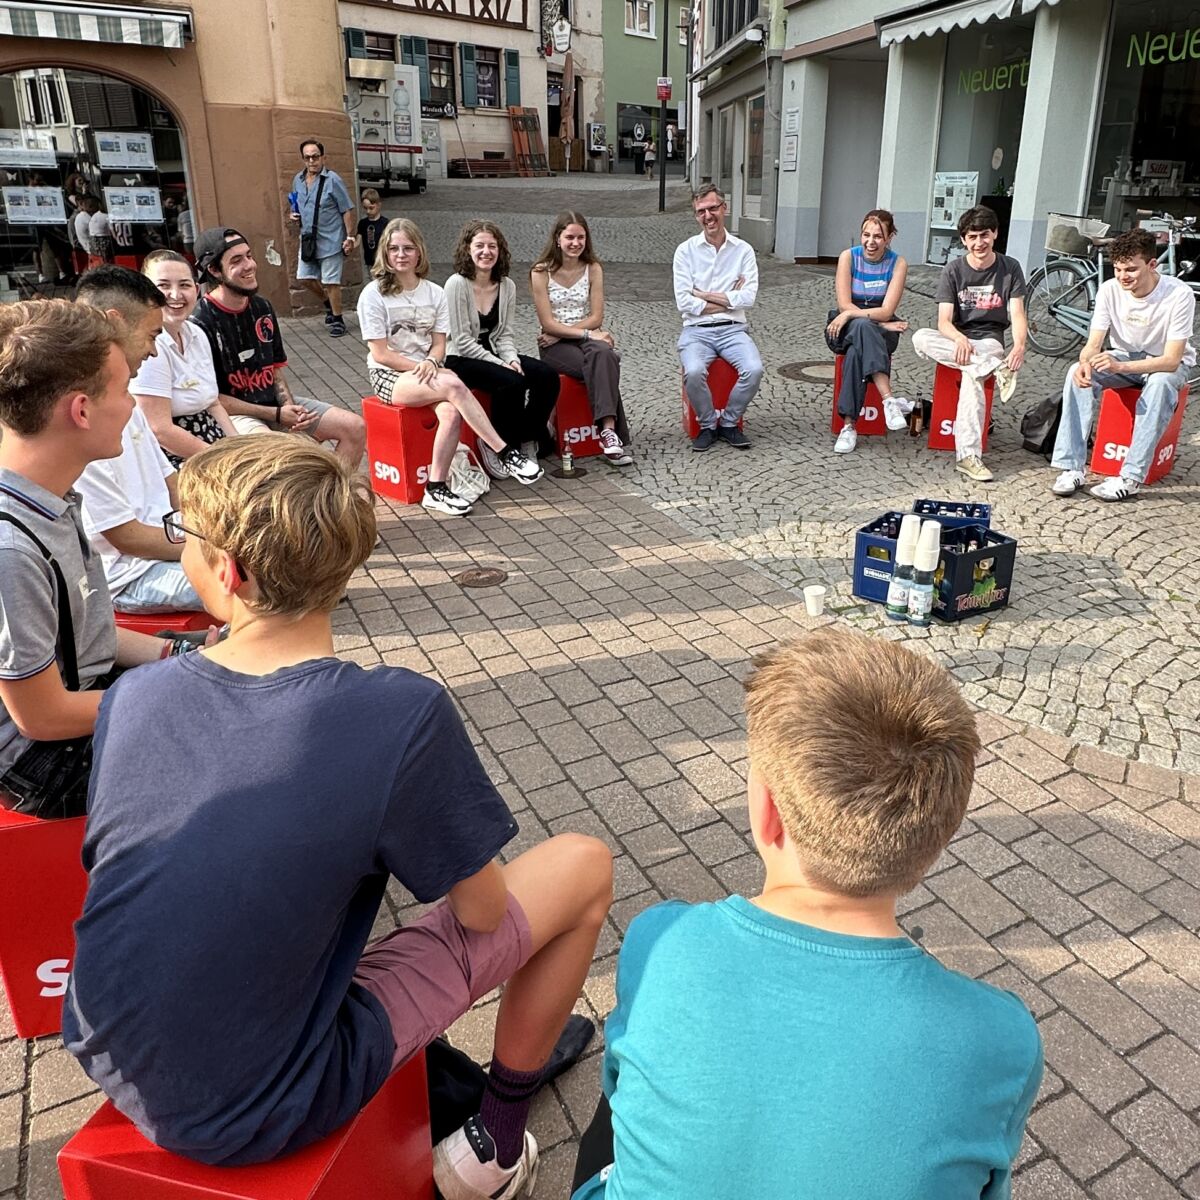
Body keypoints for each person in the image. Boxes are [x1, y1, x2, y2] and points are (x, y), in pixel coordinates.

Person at [62, 435, 614, 1200]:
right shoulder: (397, 711)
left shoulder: (134, 698)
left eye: (183, 533)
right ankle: (497, 1138)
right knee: (584, 865)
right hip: (264, 1105)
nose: (181, 548)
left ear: (230, 571)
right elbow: (485, 913)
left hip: (107, 1047)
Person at [570, 628, 1043, 1200]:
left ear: (768, 811)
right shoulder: (1001, 1038)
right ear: (933, 842)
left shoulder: (662, 940)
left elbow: (625, 1088)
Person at [0, 301, 185, 819]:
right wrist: (178, 692)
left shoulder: (50, 495)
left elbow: (81, 636)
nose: (132, 407)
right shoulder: (11, 548)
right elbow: (43, 717)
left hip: (80, 700)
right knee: (233, 749)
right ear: (81, 411)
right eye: (125, 391)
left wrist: (180, 657)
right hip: (38, 761)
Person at [356, 218, 543, 516]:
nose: (401, 255)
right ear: (384, 254)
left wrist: (432, 361)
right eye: (393, 249)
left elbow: (440, 344)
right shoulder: (373, 294)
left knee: (450, 412)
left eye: (408, 248)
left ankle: (436, 487)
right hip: (391, 375)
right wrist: (426, 367)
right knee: (454, 384)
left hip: (429, 371)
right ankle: (504, 451)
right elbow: (380, 353)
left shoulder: (434, 292)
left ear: (419, 252)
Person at [73, 264, 205, 614]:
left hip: (167, 542)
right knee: (263, 574)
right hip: (130, 575)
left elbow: (171, 481)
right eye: (151, 336)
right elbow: (126, 537)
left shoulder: (123, 397)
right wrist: (212, 546)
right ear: (114, 323)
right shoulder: (80, 420)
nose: (154, 351)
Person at [190, 227, 366, 467]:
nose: (250, 265)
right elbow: (213, 400)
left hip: (274, 406)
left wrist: (289, 407)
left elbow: (274, 369)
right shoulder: (200, 322)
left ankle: (329, 499)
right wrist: (276, 415)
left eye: (249, 255)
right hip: (234, 415)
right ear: (213, 270)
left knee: (354, 427)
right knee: (289, 457)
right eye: (237, 260)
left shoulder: (262, 307)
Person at [1050, 227, 1196, 502]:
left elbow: (1171, 360)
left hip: (1164, 365)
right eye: (1117, 269)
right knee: (1076, 374)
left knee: (1161, 383)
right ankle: (1072, 467)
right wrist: (1085, 361)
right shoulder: (1109, 290)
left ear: (1152, 265)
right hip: (1125, 356)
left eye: (1130, 269)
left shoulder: (1179, 294)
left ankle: (1131, 477)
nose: (1122, 277)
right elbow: (1093, 344)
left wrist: (1120, 368)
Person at [912, 206, 1027, 483]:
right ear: (963, 240)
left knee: (972, 377)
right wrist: (959, 338)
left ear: (995, 234)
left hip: (989, 340)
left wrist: (1019, 346)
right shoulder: (953, 270)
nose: (979, 243)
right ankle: (995, 370)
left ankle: (968, 456)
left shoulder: (1010, 267)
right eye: (972, 237)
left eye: (984, 235)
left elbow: (1019, 314)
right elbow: (943, 322)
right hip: (958, 340)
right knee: (920, 338)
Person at [444, 220, 560, 476]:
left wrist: (512, 359)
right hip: (460, 357)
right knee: (511, 382)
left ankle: (526, 436)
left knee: (546, 376)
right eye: (479, 246)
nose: (486, 252)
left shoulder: (507, 286)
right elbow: (462, 340)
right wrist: (502, 365)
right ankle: (497, 445)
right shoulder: (456, 284)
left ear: (500, 250)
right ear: (467, 249)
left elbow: (505, 335)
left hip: (493, 351)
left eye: (492, 246)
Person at [530, 211, 633, 465]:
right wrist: (583, 333)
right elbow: (547, 323)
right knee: (603, 358)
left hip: (576, 337)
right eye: (570, 237)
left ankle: (607, 432)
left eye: (581, 238)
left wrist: (568, 332)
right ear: (557, 238)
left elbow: (596, 316)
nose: (575, 243)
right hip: (553, 347)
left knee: (604, 354)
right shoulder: (540, 272)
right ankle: (612, 435)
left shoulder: (593, 268)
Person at [673, 184, 762, 452]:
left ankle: (730, 423)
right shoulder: (685, 251)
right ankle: (708, 424)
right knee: (694, 371)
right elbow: (684, 303)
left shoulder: (743, 250)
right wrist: (727, 298)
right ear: (696, 215)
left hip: (734, 330)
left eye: (713, 208)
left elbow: (748, 298)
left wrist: (704, 296)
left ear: (725, 208)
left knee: (754, 369)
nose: (708, 216)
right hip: (696, 331)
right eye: (701, 211)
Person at [132, 250, 236, 467]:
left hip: (212, 444)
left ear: (197, 291)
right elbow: (160, 431)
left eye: (184, 285)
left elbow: (213, 403)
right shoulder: (151, 346)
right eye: (163, 286)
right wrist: (227, 461)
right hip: (172, 457)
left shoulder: (196, 333)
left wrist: (241, 448)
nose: (175, 295)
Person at [825, 209, 913, 454]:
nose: (870, 242)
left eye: (878, 236)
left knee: (857, 352)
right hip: (844, 327)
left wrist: (879, 322)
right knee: (862, 328)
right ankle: (888, 400)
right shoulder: (848, 257)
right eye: (866, 235)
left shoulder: (898, 263)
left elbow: (887, 310)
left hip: (876, 329)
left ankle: (849, 426)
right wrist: (879, 323)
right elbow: (844, 304)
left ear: (889, 238)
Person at [289, 139, 357, 338]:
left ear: (323, 157)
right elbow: (295, 204)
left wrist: (350, 237)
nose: (312, 161)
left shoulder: (332, 180)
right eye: (308, 157)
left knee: (331, 282)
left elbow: (346, 209)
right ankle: (328, 303)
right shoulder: (298, 180)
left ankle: (338, 320)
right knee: (304, 278)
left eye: (315, 156)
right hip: (308, 239)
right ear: (303, 159)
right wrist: (292, 214)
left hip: (331, 239)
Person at [357, 187, 388, 272]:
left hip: (383, 261)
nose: (368, 211)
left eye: (371, 208)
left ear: (378, 205)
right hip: (369, 261)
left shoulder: (385, 223)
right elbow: (357, 241)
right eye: (365, 208)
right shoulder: (363, 223)